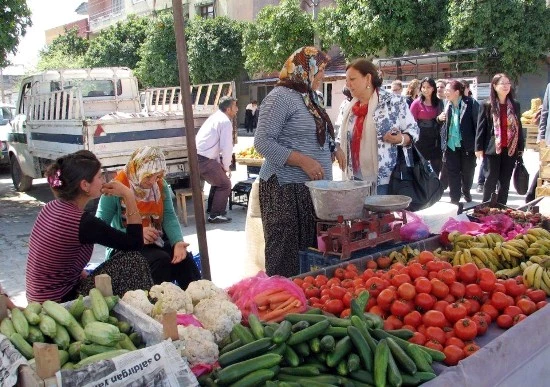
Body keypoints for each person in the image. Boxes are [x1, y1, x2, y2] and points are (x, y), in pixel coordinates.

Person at [254, 46, 338, 278]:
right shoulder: (279, 97)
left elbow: (316, 134)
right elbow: (262, 142)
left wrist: (335, 148)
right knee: (286, 256)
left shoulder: (311, 96)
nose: (322, 76)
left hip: (311, 189)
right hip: (285, 189)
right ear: (305, 69)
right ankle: (284, 304)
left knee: (310, 255)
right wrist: (302, 161)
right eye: (319, 70)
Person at [26, 150, 153, 303]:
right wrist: (128, 195)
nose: (104, 180)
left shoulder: (51, 207)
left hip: (37, 297)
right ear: (85, 185)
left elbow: (56, 258)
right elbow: (135, 243)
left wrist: (78, 273)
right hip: (58, 302)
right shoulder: (82, 222)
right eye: (99, 176)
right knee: (133, 261)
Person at [96, 146, 201, 290]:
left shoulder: (160, 185)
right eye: (148, 176)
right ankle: (155, 307)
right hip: (125, 247)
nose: (153, 181)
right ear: (137, 168)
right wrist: (136, 234)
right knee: (161, 261)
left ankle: (194, 303)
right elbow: (100, 228)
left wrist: (177, 242)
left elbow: (169, 216)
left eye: (157, 176)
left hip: (155, 242)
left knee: (184, 260)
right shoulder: (116, 188)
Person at [334, 58, 419, 194]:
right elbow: (339, 137)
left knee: (381, 216)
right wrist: (337, 148)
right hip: (353, 179)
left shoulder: (393, 102)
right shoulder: (349, 107)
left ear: (368, 78)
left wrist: (400, 139)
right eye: (346, 80)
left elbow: (413, 131)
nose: (348, 84)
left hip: (384, 181)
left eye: (352, 79)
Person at [475, 73, 524, 205]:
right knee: (491, 178)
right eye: (503, 83)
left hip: (510, 148)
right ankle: (486, 206)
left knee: (505, 180)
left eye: (508, 83)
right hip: (492, 149)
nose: (506, 86)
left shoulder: (515, 105)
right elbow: (481, 127)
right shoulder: (486, 104)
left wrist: (521, 147)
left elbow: (519, 127)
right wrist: (478, 147)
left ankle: (501, 207)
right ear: (495, 86)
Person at [196, 96, 239, 223]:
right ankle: (215, 215)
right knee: (225, 184)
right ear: (228, 109)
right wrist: (226, 167)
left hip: (200, 157)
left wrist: (221, 165)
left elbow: (213, 144)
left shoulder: (216, 117)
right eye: (235, 106)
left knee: (219, 180)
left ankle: (212, 209)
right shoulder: (225, 122)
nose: (237, 109)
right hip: (204, 159)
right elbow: (227, 147)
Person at [438, 80, 479, 205]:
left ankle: (466, 190)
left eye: (448, 90)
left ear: (457, 92)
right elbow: (442, 123)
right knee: (452, 173)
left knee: (468, 172)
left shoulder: (470, 103)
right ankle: (454, 199)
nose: (445, 92)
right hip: (451, 145)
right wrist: (439, 119)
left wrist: (478, 146)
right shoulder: (446, 104)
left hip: (467, 145)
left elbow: (478, 125)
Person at [410, 77, 444, 175]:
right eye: (423, 87)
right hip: (421, 138)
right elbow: (411, 122)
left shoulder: (439, 102)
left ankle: (434, 187)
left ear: (433, 88)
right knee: (420, 166)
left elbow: (442, 120)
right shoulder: (416, 103)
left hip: (435, 138)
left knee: (437, 165)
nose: (425, 89)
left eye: (428, 87)